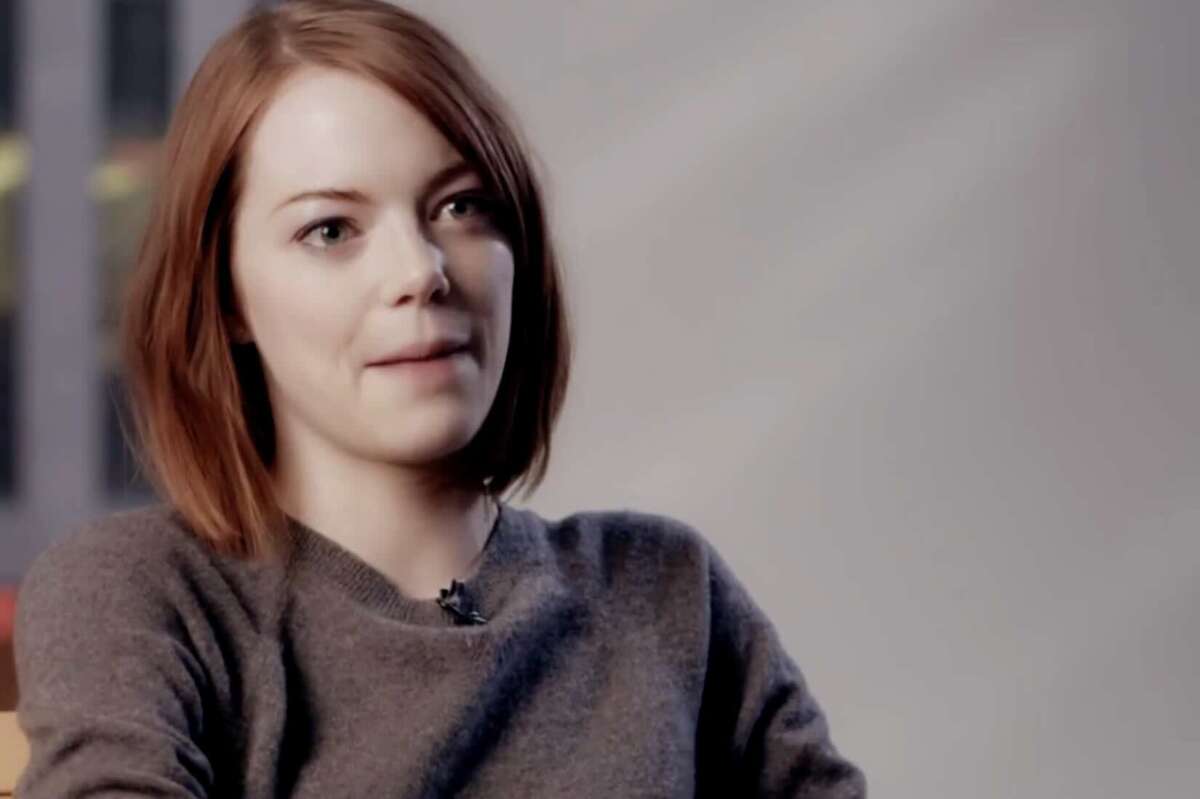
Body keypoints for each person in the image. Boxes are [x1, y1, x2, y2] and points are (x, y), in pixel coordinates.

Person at [12, 1, 868, 796]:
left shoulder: (668, 591)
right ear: (227, 294)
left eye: (461, 206)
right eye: (331, 230)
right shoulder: (141, 596)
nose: (420, 272)